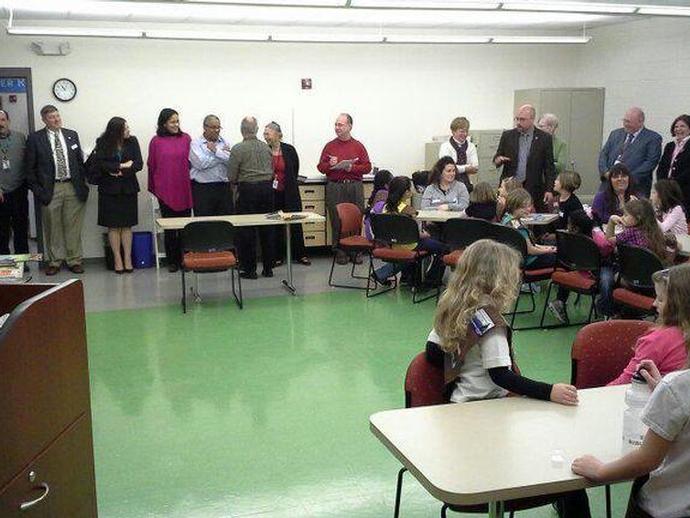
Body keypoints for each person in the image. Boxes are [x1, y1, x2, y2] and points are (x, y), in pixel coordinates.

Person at [572, 359, 690, 517]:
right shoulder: (676, 389)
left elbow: (648, 459)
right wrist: (663, 393)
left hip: (666, 509)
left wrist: (601, 470)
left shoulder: (677, 387)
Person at [25, 105, 89, 275]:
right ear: (44, 120)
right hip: (50, 188)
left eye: (58, 116)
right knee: (52, 227)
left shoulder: (71, 134)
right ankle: (54, 261)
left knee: (73, 226)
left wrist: (83, 183)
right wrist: (38, 191)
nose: (56, 119)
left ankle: (74, 260)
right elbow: (29, 169)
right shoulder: (35, 139)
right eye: (52, 117)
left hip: (72, 186)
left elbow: (79, 162)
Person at [608, 266, 689, 386]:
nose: (654, 303)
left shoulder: (656, 340)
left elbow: (624, 383)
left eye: (661, 299)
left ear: (677, 304)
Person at [87, 117, 143, 274]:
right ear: (116, 131)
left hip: (128, 188)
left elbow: (138, 163)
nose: (128, 131)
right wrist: (121, 165)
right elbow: (99, 163)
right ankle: (117, 259)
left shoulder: (133, 141)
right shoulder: (103, 141)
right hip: (109, 190)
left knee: (127, 225)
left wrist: (119, 170)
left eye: (128, 128)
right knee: (113, 226)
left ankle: (128, 259)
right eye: (125, 129)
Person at [371, 176, 448, 287]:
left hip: (393, 244)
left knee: (422, 248)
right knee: (443, 248)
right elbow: (414, 234)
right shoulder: (409, 210)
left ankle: (402, 276)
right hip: (411, 245)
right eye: (410, 189)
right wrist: (425, 235)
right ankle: (432, 280)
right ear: (406, 192)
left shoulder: (385, 207)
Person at [598, 199, 669, 316]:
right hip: (652, 280)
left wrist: (611, 221)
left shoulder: (630, 232)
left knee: (610, 273)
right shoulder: (656, 232)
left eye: (626, 215)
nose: (623, 217)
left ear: (639, 217)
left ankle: (611, 309)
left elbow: (609, 240)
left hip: (630, 278)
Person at [317, 113, 372, 265]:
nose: (337, 128)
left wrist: (351, 167)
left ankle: (355, 250)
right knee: (336, 218)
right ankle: (340, 250)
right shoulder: (330, 146)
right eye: (336, 124)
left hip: (354, 186)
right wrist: (330, 164)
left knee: (355, 217)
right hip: (335, 186)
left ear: (349, 126)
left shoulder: (358, 146)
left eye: (340, 125)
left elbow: (368, 167)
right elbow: (321, 167)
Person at [228, 116, 275, 279]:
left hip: (247, 191)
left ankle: (249, 269)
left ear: (242, 130)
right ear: (256, 130)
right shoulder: (266, 148)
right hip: (267, 191)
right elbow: (272, 169)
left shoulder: (237, 149)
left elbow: (231, 176)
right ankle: (268, 268)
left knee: (246, 231)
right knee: (267, 229)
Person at [147, 108, 192, 273]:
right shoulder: (156, 141)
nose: (176, 124)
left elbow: (192, 163)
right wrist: (156, 188)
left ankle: (186, 260)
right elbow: (151, 165)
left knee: (185, 228)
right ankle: (172, 261)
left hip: (184, 189)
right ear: (164, 123)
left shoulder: (186, 138)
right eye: (172, 121)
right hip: (165, 191)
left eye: (177, 121)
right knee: (170, 229)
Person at [263, 121, 309, 266]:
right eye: (264, 133)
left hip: (289, 192)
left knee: (295, 223)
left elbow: (294, 169)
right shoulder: (264, 150)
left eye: (268, 133)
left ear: (278, 135)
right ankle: (277, 256)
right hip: (272, 193)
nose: (265, 136)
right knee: (275, 225)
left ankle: (300, 254)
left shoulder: (289, 150)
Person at [494, 104, 555, 213]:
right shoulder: (508, 136)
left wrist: (549, 190)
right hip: (510, 186)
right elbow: (497, 157)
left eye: (522, 119)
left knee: (531, 217)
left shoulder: (544, 138)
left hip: (533, 186)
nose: (518, 122)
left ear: (532, 119)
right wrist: (498, 160)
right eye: (517, 119)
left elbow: (549, 167)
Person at [547, 210, 599, 325]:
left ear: (574, 228)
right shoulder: (595, 240)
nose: (567, 225)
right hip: (592, 274)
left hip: (573, 269)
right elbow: (606, 249)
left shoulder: (567, 237)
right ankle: (604, 310)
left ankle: (560, 301)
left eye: (569, 223)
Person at [598, 107, 662, 197]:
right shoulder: (615, 134)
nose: (625, 124)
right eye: (624, 121)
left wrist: (624, 179)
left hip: (635, 188)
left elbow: (650, 162)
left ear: (640, 122)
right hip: (608, 186)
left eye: (628, 122)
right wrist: (606, 173)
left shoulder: (653, 138)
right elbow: (603, 155)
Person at [501, 188, 557, 269]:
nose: (529, 209)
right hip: (528, 262)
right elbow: (530, 250)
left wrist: (545, 247)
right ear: (514, 206)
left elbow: (528, 244)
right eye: (524, 207)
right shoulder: (518, 227)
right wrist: (548, 250)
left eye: (529, 205)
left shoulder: (506, 219)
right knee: (559, 258)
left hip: (514, 260)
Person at [189, 114, 233, 217]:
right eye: (213, 127)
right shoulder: (196, 144)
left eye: (218, 127)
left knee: (226, 223)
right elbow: (201, 164)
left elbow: (231, 161)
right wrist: (221, 155)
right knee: (204, 224)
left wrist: (215, 151)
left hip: (223, 188)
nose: (217, 130)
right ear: (205, 127)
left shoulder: (224, 142)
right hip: (203, 190)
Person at [0, 109, 29, 258]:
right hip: (1, 193)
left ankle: (21, 262)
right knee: (2, 231)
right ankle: (4, 262)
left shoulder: (20, 137)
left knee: (21, 228)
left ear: (8, 121)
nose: (1, 123)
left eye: (3, 120)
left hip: (19, 189)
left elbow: (28, 162)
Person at [657, 114, 690, 215]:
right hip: (667, 192)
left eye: (682, 126)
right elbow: (661, 167)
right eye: (676, 126)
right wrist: (662, 185)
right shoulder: (670, 146)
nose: (678, 129)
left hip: (685, 191)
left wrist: (672, 185)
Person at [438, 116, 479, 192]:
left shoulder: (471, 146)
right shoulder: (445, 146)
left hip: (467, 185)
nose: (465, 134)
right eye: (462, 131)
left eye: (466, 131)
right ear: (453, 131)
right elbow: (447, 168)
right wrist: (466, 168)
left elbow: (475, 167)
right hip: (449, 186)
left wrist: (458, 168)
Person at [364, 169, 393, 240]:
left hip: (372, 233)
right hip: (378, 236)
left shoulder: (376, 194)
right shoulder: (384, 195)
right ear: (386, 185)